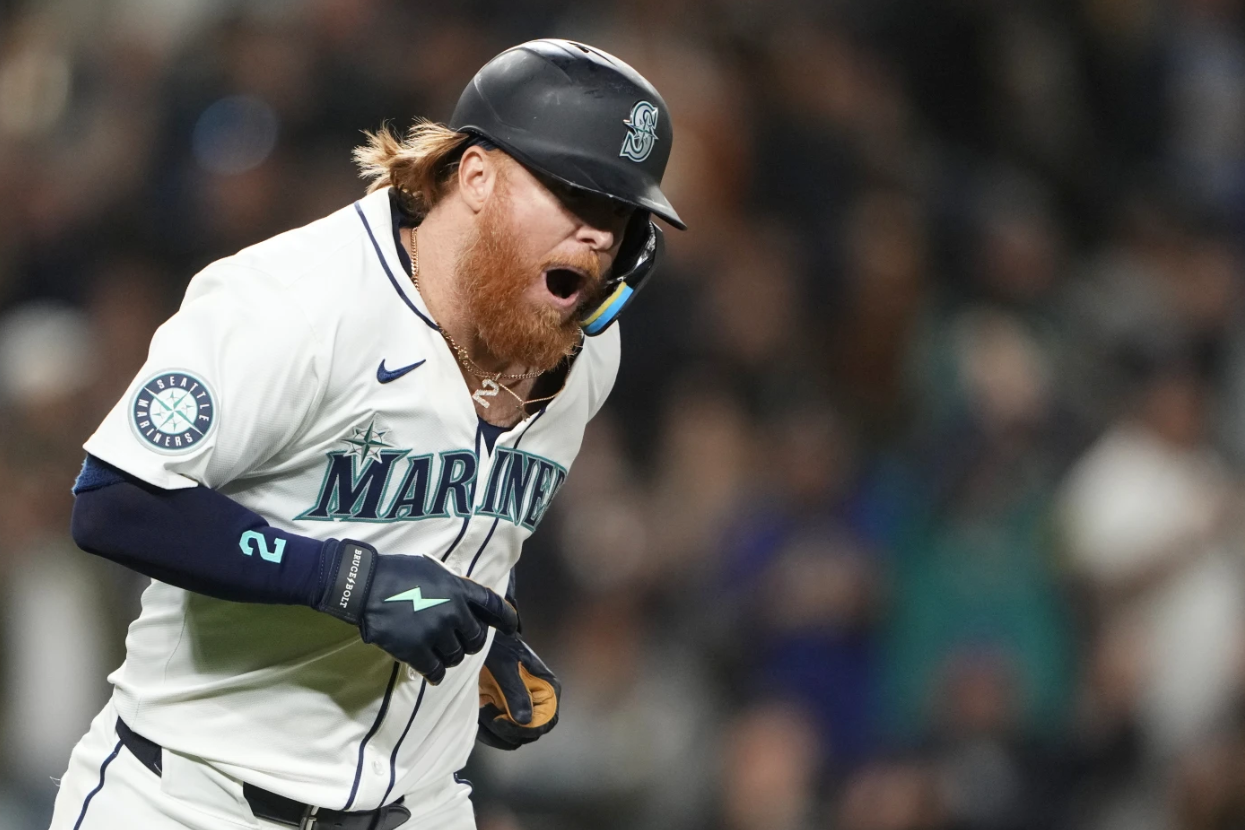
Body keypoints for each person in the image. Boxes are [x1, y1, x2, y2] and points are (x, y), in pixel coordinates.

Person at [50, 38, 684, 830]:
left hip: (415, 806)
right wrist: (343, 582)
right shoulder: (298, 302)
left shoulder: (583, 349)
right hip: (190, 799)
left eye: (621, 214)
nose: (599, 236)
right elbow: (114, 502)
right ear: (477, 176)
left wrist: (481, 634)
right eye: (575, 197)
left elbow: (462, 520)